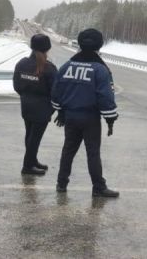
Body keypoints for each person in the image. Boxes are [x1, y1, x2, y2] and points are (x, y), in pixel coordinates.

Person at [52, 28, 119, 197]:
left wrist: (60, 111)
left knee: (68, 150)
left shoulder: (67, 66)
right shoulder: (100, 69)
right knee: (93, 153)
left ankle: (61, 183)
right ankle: (98, 187)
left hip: (70, 116)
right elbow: (105, 96)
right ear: (99, 45)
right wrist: (110, 119)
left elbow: (57, 91)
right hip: (90, 118)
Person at [13, 34, 57, 175]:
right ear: (47, 49)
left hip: (26, 106)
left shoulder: (22, 63)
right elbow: (55, 91)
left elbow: (17, 86)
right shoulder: (49, 68)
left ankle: (32, 160)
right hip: (42, 109)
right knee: (34, 138)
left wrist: (26, 96)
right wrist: (51, 108)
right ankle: (27, 167)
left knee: (30, 135)